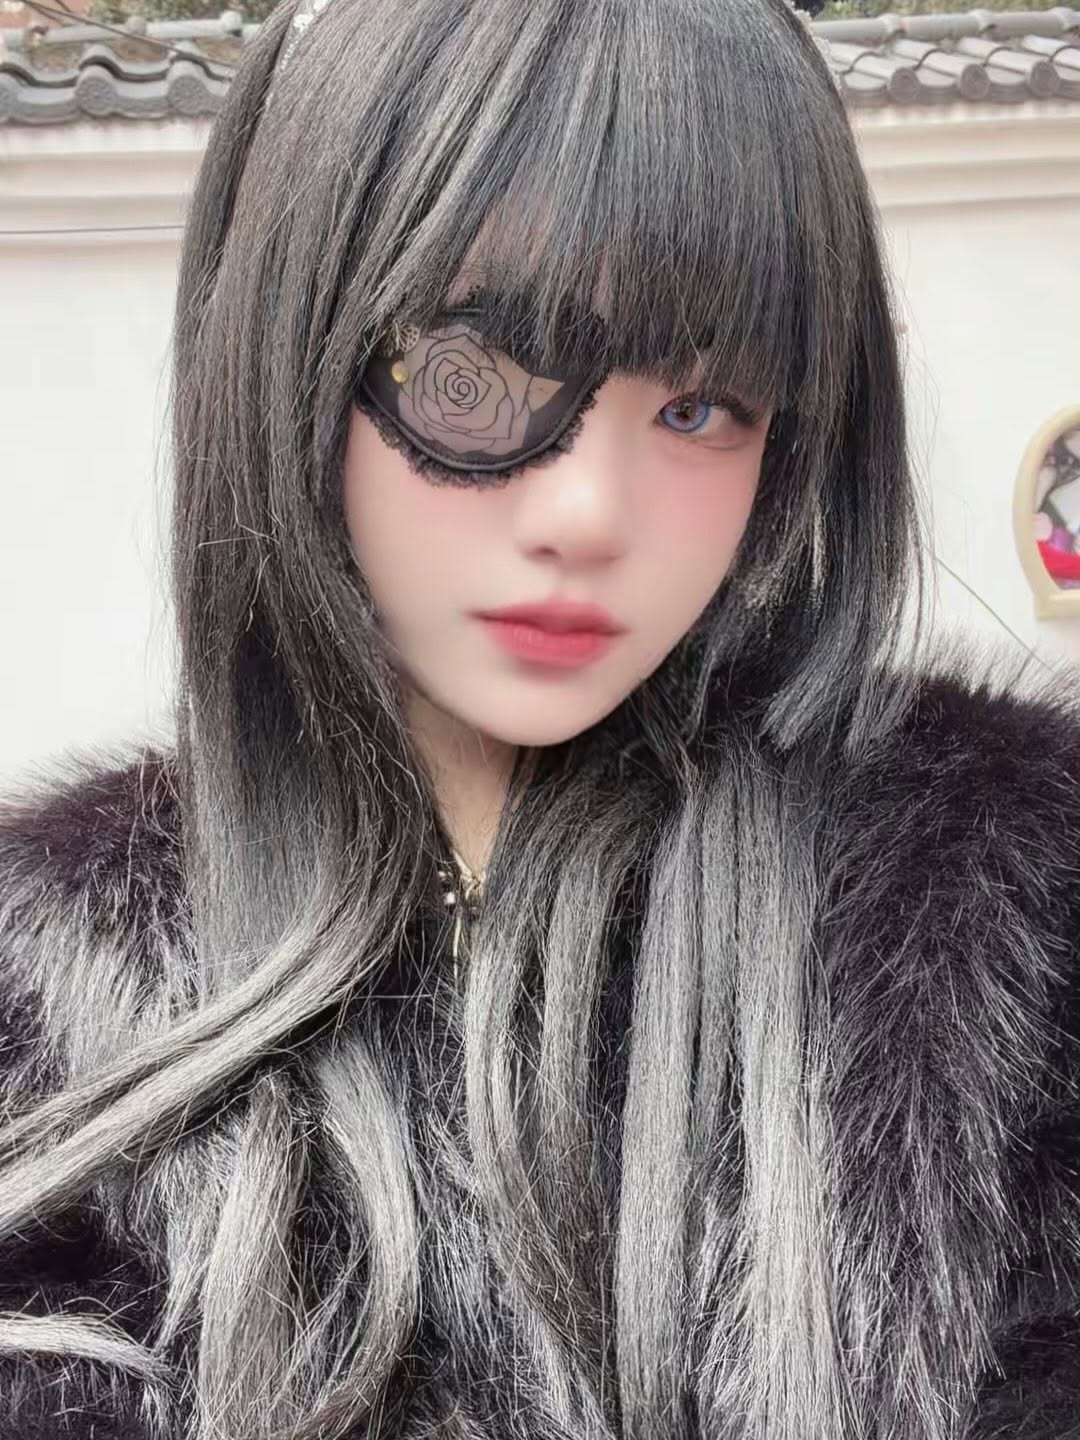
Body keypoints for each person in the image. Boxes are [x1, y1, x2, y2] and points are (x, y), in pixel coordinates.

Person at [1, 0, 1079, 1436]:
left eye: (702, 405)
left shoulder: (1009, 894)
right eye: (478, 372)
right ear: (289, 344)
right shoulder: (44, 993)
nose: (591, 515)